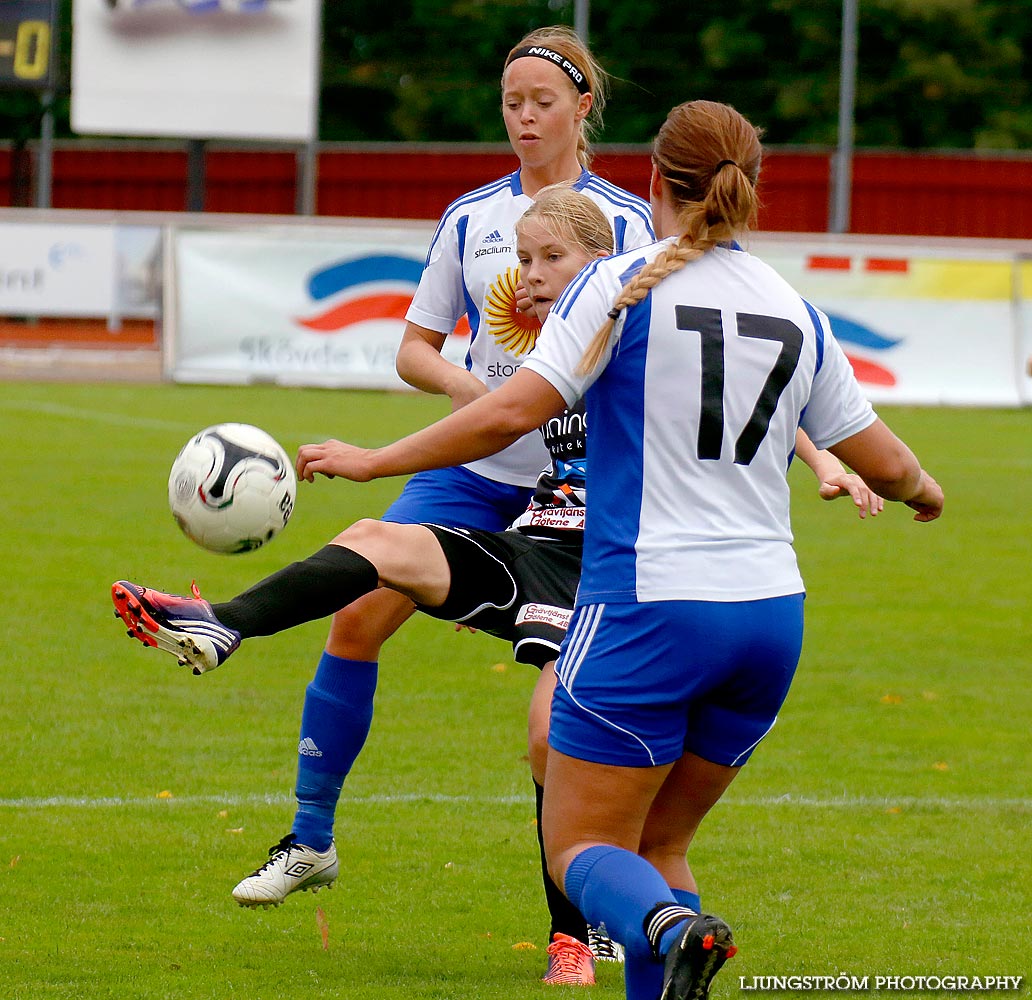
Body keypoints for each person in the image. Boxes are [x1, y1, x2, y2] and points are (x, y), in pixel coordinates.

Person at [112, 187, 881, 990]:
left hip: (620, 572)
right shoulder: (564, 333)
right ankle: (224, 622)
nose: (532, 275)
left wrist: (829, 460)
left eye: (552, 258)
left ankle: (578, 935)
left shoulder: (628, 308)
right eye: (523, 259)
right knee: (379, 544)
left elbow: (752, 396)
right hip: (542, 545)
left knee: (552, 734)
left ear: (599, 258)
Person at [264, 100, 944, 1000]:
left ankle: (667, 926)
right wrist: (924, 494)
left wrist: (374, 460)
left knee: (585, 848)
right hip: (771, 622)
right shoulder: (795, 309)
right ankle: (671, 922)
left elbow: (511, 412)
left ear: (655, 182)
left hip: (651, 608)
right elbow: (889, 463)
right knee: (662, 845)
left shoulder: (621, 283)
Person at [262, 22, 653, 981]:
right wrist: (482, 399)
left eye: (543, 103)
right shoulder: (473, 216)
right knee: (356, 613)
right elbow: (415, 346)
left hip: (582, 491)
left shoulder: (627, 224)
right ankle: (311, 841)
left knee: (559, 716)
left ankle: (574, 925)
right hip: (473, 469)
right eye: (512, 102)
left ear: (581, 107)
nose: (524, 119)